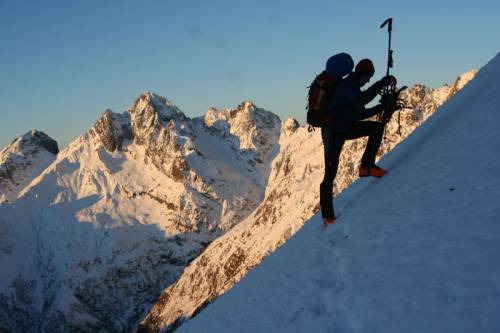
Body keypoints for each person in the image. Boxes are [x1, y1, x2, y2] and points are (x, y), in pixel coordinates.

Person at [320, 58, 396, 226]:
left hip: (344, 128)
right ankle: (327, 216)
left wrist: (380, 90)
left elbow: (360, 104)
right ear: (361, 74)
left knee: (376, 128)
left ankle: (367, 166)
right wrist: (381, 92)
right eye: (368, 77)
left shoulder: (353, 85)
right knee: (330, 174)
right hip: (333, 133)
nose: (368, 80)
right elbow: (361, 106)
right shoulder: (347, 87)